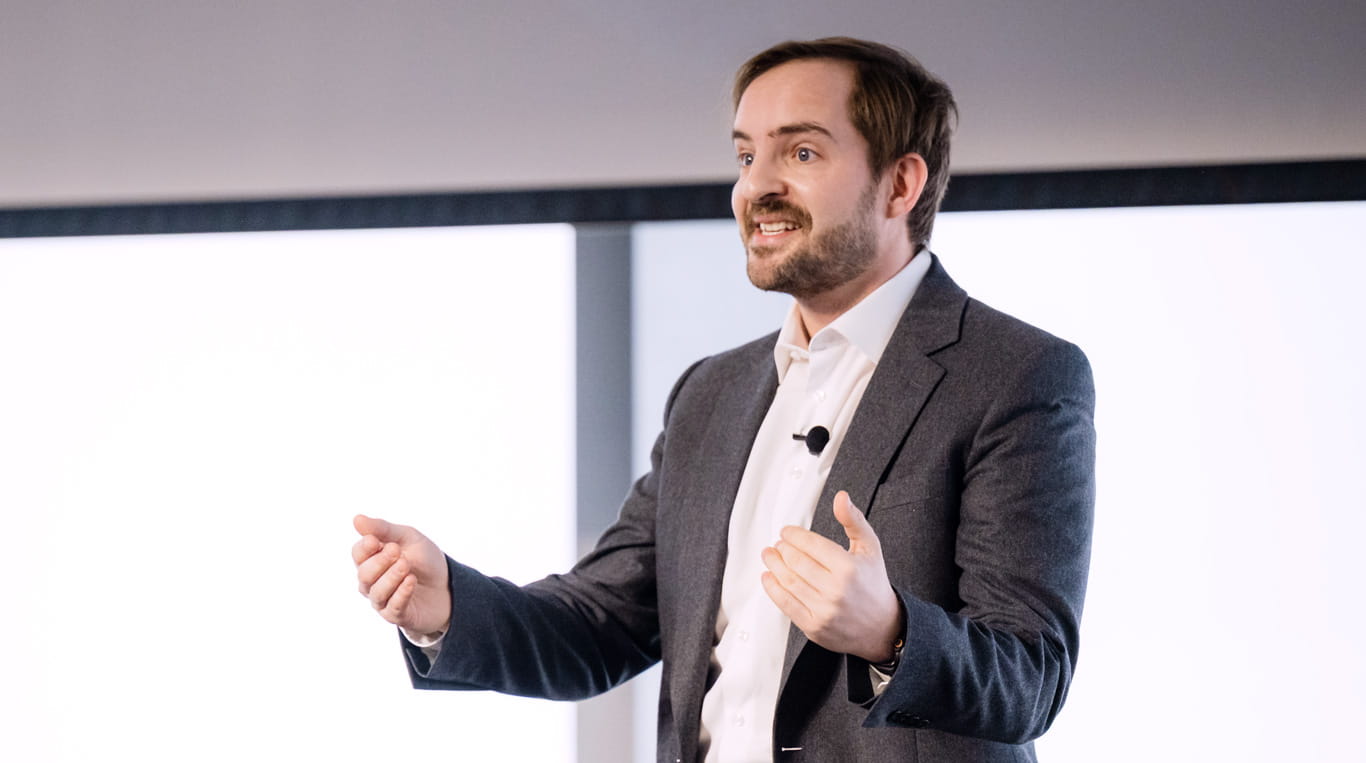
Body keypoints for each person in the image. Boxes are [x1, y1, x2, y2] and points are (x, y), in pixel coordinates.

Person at [352, 37, 1095, 762]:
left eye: (800, 153)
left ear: (900, 184)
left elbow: (1030, 675)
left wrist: (890, 632)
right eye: (746, 156)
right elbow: (605, 621)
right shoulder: (711, 393)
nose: (756, 186)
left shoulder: (1016, 374)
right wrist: (448, 604)